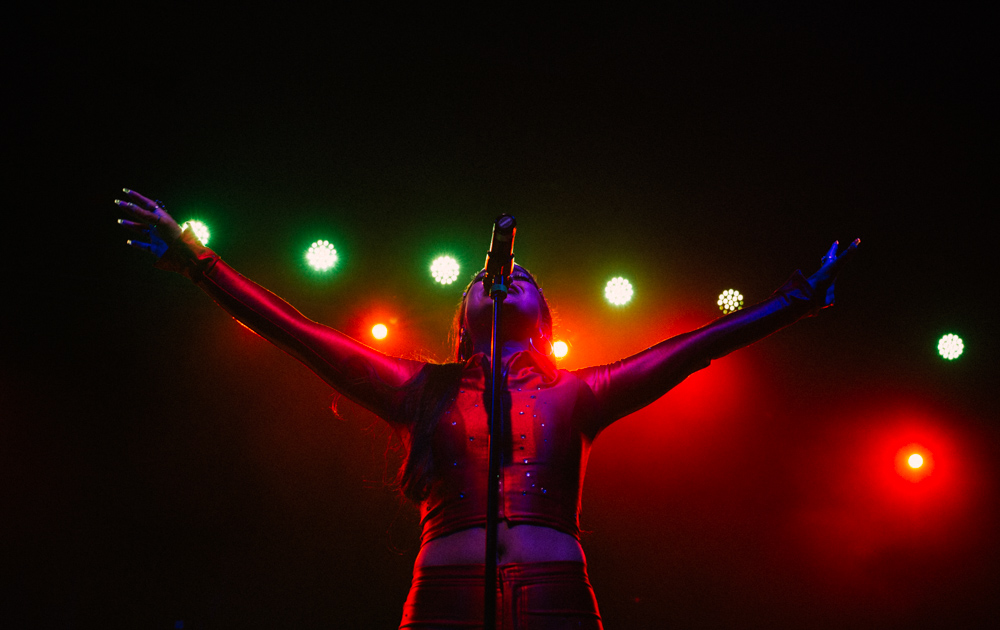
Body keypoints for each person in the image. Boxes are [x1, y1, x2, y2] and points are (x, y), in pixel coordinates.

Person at [115, 189, 858, 629]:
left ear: (544, 314)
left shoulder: (580, 393)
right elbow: (300, 335)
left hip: (556, 598)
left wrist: (798, 300)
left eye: (519, 278)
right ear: (465, 312)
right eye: (488, 278)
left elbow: (692, 348)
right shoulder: (421, 389)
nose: (501, 281)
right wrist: (198, 262)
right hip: (442, 596)